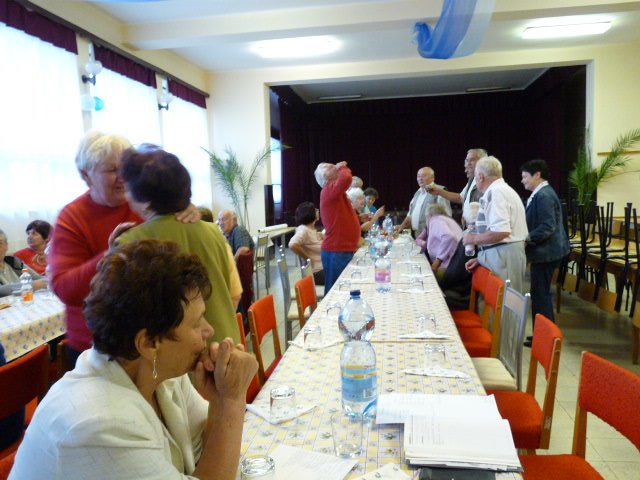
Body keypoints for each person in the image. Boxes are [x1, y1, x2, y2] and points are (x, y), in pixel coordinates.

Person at [9, 239, 258, 480]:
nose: (209, 330)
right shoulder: (100, 424)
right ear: (149, 343)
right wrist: (232, 399)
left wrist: (220, 399)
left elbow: (205, 452)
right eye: (196, 323)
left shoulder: (159, 372)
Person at [48, 132, 199, 368]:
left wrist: (185, 208)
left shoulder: (143, 202)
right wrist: (112, 255)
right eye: (111, 170)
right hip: (98, 347)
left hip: (151, 338)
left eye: (124, 169)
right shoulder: (72, 218)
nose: (122, 178)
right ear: (86, 175)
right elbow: (65, 289)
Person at [117, 146, 242, 344]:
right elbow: (233, 292)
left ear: (146, 201)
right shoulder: (214, 232)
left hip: (177, 354)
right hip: (225, 343)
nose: (125, 196)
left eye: (127, 189)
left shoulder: (131, 242)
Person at [521, 159, 570, 345]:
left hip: (547, 253)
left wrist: (527, 239)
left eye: (525, 177)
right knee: (539, 293)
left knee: (541, 294)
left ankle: (546, 339)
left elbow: (548, 226)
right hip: (544, 253)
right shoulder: (541, 193)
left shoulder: (544, 195)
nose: (523, 181)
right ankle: (541, 334)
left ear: (537, 175)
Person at [463, 156, 528, 294]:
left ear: (480, 176)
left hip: (504, 255)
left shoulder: (496, 192)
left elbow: (501, 232)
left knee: (505, 301)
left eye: (475, 176)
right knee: (501, 301)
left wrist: (473, 239)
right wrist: (482, 258)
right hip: (502, 254)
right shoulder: (500, 190)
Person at [315, 161, 361, 294]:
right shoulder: (328, 190)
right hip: (337, 249)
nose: (334, 166)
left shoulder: (337, 193)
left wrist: (358, 218)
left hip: (341, 249)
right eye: (330, 167)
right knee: (337, 291)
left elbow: (340, 218)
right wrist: (342, 167)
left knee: (341, 288)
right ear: (326, 177)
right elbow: (346, 178)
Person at [437, 202, 480, 310]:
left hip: (463, 292)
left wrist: (440, 284)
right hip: (466, 287)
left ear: (463, 219)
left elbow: (458, 272)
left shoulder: (470, 239)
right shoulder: (481, 235)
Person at [428, 148, 487, 216]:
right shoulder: (472, 180)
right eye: (467, 160)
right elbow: (460, 198)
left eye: (472, 160)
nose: (468, 163)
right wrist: (438, 191)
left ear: (483, 161)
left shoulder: (486, 179)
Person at [396, 167, 451, 236]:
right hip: (417, 235)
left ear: (433, 177)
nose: (420, 178)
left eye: (423, 176)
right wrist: (401, 227)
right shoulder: (417, 193)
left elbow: (446, 216)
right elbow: (410, 216)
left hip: (433, 235)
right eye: (418, 176)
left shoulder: (440, 190)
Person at [0, 229, 46, 298]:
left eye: (0, 243)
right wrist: (32, 285)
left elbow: (37, 278)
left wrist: (52, 280)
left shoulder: (13, 261)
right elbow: (1, 290)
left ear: (6, 245)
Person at [288, 202, 325, 286]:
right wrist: (308, 258)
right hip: (317, 272)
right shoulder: (303, 229)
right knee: (341, 275)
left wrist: (324, 237)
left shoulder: (311, 230)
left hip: (322, 268)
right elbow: (292, 244)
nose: (317, 211)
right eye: (315, 210)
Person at [422, 203, 463, 272]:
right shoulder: (447, 220)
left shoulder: (435, 221)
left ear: (430, 215)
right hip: (457, 263)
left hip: (450, 267)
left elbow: (449, 237)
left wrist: (438, 261)